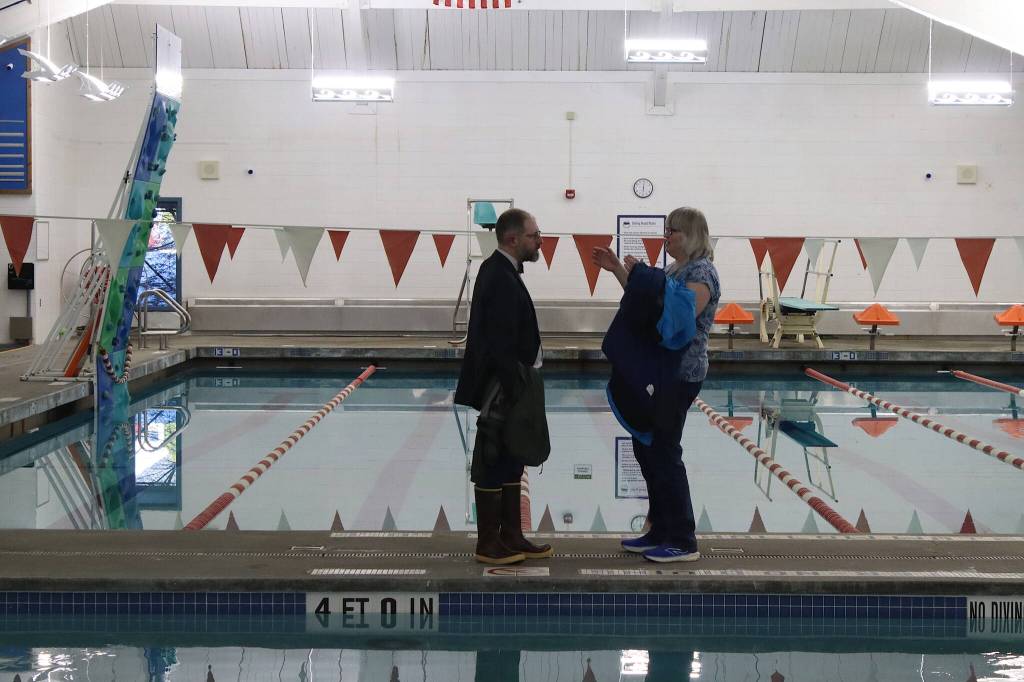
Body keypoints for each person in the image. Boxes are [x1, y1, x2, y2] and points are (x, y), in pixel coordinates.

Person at [592, 207, 720, 563]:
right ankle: (660, 529)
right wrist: (622, 270)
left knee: (664, 453)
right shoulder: (674, 269)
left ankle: (683, 539)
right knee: (645, 450)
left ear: (693, 234)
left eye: (674, 231)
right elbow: (647, 304)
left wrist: (645, 278)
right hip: (659, 372)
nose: (667, 236)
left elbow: (678, 318)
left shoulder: (702, 273)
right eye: (667, 230)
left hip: (680, 374)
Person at [454, 208, 554, 565]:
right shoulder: (497, 274)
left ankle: (511, 535)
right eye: (534, 235)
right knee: (492, 456)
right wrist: (513, 388)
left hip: (513, 380)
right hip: (503, 383)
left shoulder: (504, 271)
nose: (540, 241)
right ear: (513, 239)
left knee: (512, 456)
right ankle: (488, 543)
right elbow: (497, 342)